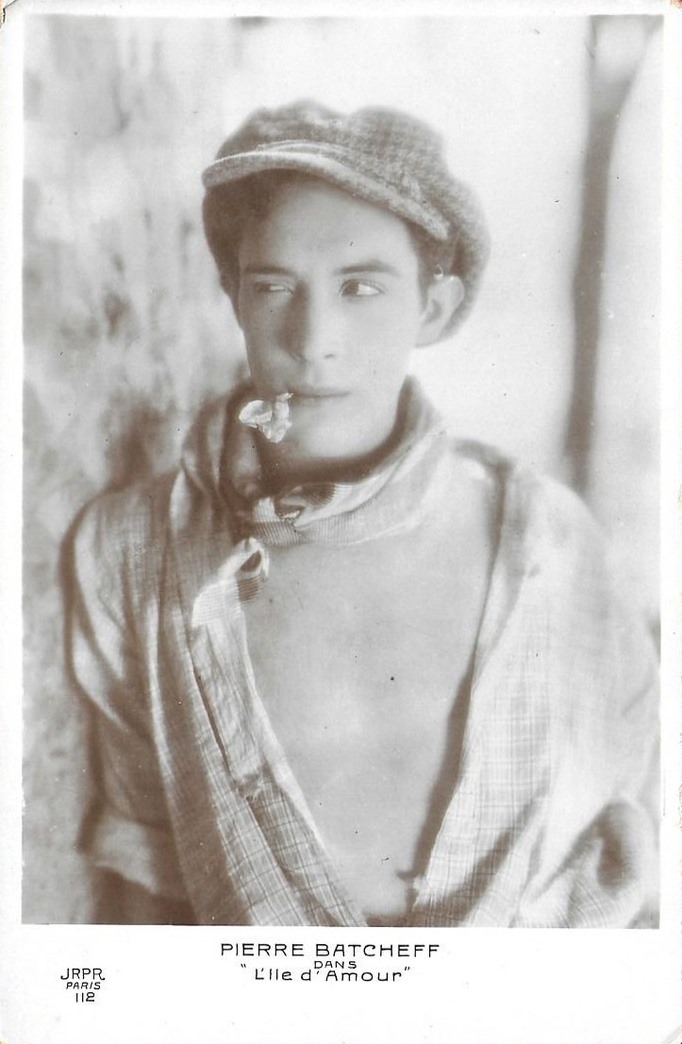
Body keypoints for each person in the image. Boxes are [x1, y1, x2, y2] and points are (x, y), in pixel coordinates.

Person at [67, 101, 659, 927]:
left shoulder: (549, 547)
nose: (314, 340)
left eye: (361, 288)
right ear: (234, 297)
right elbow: (144, 872)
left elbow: (631, 841)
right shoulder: (137, 550)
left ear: (434, 309)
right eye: (274, 287)